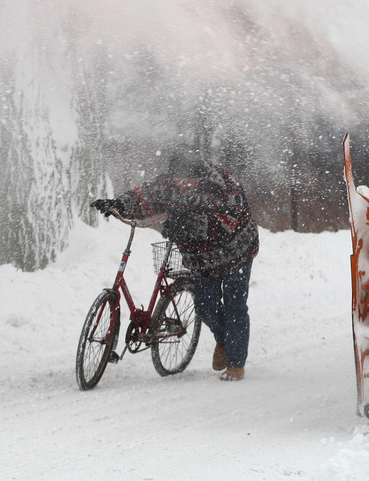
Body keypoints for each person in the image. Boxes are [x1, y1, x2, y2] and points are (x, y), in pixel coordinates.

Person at [92, 149, 259, 381]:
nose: (182, 185)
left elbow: (225, 226)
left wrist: (185, 225)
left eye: (189, 180)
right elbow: (144, 195)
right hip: (202, 259)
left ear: (201, 177)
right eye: (178, 179)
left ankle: (236, 364)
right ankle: (223, 340)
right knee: (204, 306)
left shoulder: (222, 186)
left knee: (235, 307)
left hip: (237, 252)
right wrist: (119, 204)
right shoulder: (167, 184)